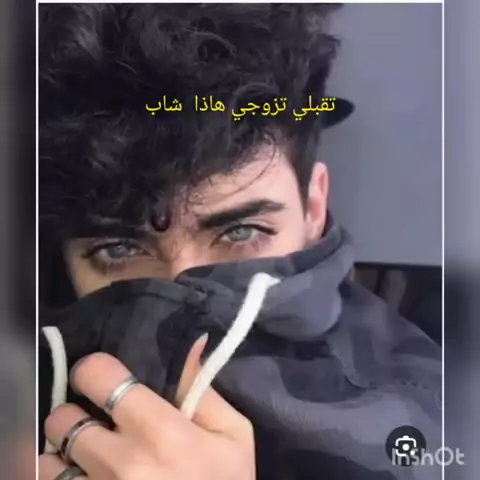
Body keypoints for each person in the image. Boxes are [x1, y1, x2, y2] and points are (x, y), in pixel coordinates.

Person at [39, 4, 442, 480]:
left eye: (240, 232)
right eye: (120, 249)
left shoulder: (445, 424)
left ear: (313, 207)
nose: (181, 288)